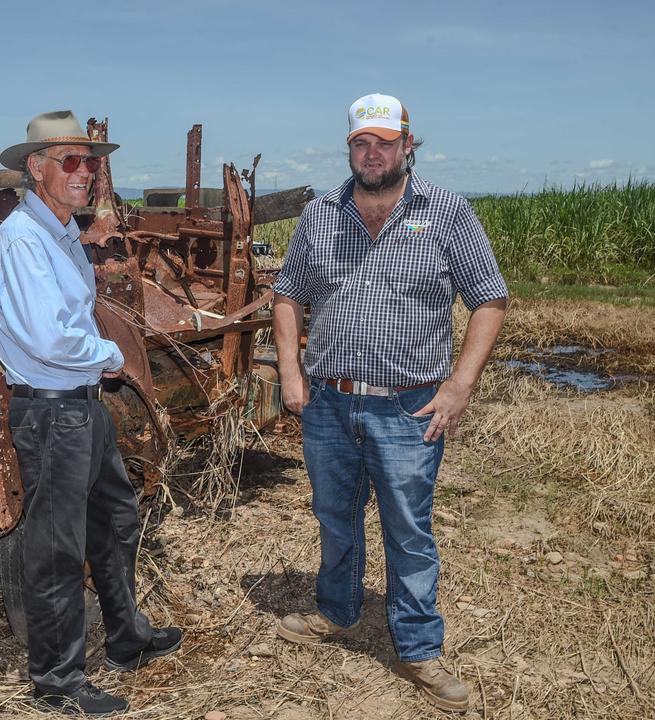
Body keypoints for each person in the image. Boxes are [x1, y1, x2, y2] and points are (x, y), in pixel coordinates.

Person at [270, 93, 508, 713]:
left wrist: (459, 386)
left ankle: (418, 649)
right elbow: (288, 294)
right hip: (328, 402)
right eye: (359, 143)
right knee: (334, 516)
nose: (371, 153)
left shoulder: (447, 212)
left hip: (409, 408)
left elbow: (489, 299)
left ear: (407, 145)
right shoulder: (320, 215)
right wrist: (291, 375)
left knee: (408, 530)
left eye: (383, 141)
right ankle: (339, 613)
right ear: (349, 149)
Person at [0, 110, 183, 716]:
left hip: (80, 408)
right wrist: (109, 354)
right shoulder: (23, 240)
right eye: (70, 161)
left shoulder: (62, 235)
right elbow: (52, 338)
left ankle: (125, 636)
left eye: (90, 161)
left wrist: (96, 364)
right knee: (56, 548)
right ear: (35, 169)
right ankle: (57, 679)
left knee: (116, 520)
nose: (86, 172)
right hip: (51, 413)